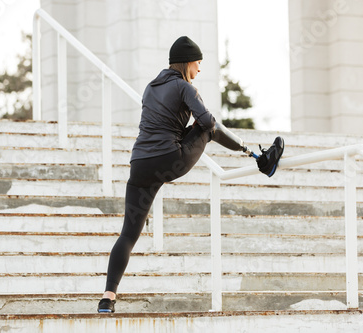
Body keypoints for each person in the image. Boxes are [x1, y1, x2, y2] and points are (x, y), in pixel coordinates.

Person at [98, 36, 283, 313]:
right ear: (187, 63)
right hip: (170, 159)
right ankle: (261, 159)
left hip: (139, 163)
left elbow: (162, 124)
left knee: (128, 235)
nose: (199, 70)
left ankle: (107, 298)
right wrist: (214, 130)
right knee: (208, 128)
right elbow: (208, 123)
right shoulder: (185, 87)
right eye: (198, 64)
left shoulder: (151, 87)